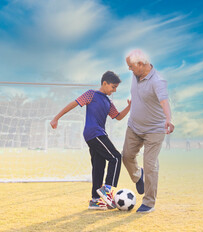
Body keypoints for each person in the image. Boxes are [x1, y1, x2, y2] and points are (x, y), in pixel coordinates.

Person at [50, 71, 131, 210]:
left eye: (116, 88)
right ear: (104, 83)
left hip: (95, 134)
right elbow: (73, 104)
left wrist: (130, 106)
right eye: (113, 87)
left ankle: (95, 200)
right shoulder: (90, 94)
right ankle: (107, 189)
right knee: (116, 158)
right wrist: (56, 117)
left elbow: (117, 116)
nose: (115, 90)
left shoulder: (108, 101)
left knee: (99, 166)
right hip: (94, 133)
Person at [122, 49, 174, 213]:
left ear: (140, 64)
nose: (129, 69)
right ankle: (138, 175)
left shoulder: (158, 81)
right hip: (134, 127)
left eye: (130, 66)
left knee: (150, 165)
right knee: (126, 156)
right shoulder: (135, 74)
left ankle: (149, 202)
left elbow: (164, 101)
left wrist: (168, 119)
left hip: (154, 130)